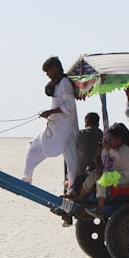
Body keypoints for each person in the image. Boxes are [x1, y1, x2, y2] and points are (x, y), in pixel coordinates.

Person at [23, 56, 80, 193]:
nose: (47, 75)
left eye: (48, 72)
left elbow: (70, 106)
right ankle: (26, 179)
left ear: (54, 68)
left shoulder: (65, 83)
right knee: (34, 145)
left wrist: (50, 112)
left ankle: (73, 190)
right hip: (56, 129)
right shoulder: (58, 83)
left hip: (67, 130)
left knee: (72, 164)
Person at [77, 123, 129, 218]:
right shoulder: (116, 149)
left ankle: (100, 209)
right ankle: (80, 198)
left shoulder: (125, 149)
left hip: (125, 177)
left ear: (119, 139)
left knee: (102, 182)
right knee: (94, 175)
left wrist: (108, 149)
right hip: (116, 174)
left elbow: (119, 158)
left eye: (111, 140)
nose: (110, 142)